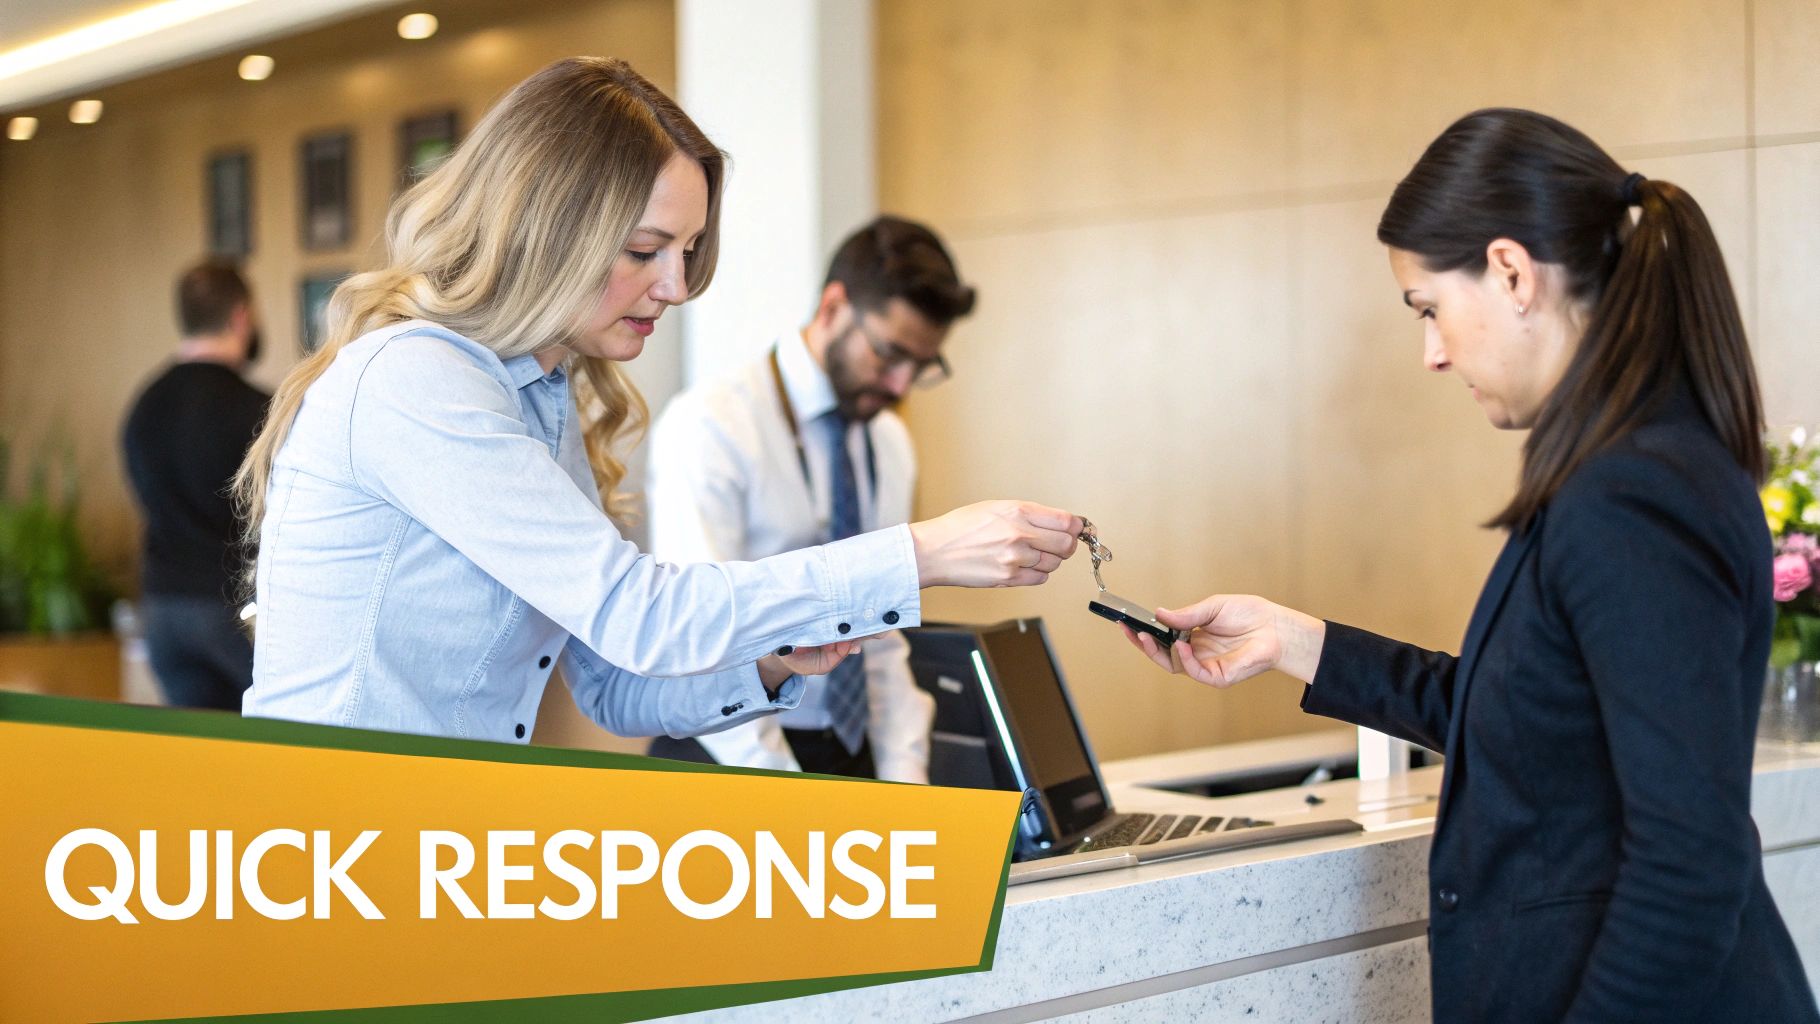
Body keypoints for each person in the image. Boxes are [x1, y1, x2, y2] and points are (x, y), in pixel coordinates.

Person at [1124, 109, 1818, 1023]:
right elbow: (1527, 727)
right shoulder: (1632, 468)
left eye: (1429, 309)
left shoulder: (1633, 495)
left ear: (1511, 272)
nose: (1433, 352)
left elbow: (1687, 867)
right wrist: (1296, 642)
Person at [234, 57, 1080, 745]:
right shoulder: (415, 381)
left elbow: (614, 685)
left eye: (688, 250)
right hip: (340, 846)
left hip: (445, 843)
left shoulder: (542, 399)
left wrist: (770, 665)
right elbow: (639, 615)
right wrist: (918, 555)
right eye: (646, 250)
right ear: (546, 227)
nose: (675, 285)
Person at [644, 216, 974, 782]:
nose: (899, 386)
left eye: (921, 367)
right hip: (725, 748)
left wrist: (908, 785)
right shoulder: (713, 426)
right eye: (890, 354)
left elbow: (884, 634)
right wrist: (788, 799)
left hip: (847, 747)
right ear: (833, 308)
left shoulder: (888, 441)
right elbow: (705, 637)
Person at [122, 261, 269, 710]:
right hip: (232, 614)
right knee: (266, 754)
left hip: (162, 613)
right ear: (241, 316)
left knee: (202, 758)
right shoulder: (259, 411)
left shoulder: (143, 407)